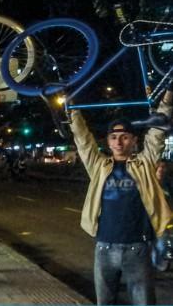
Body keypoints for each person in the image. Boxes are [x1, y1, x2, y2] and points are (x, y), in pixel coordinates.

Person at [69, 90, 173, 305]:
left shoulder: (144, 165)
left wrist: (167, 100)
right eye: (114, 137)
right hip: (104, 248)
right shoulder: (99, 167)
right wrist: (73, 111)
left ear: (134, 140)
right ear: (108, 142)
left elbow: (157, 134)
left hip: (138, 248)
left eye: (125, 137)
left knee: (143, 302)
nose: (119, 142)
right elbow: (84, 141)